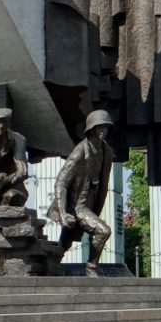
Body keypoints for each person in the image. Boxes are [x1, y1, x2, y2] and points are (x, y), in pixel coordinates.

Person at [47, 110, 114, 276]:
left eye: (105, 128)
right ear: (91, 129)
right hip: (75, 206)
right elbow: (61, 182)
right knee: (103, 231)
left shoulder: (107, 151)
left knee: (65, 242)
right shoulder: (80, 152)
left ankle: (51, 265)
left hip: (89, 204)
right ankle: (91, 268)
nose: (103, 131)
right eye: (99, 128)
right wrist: (63, 213)